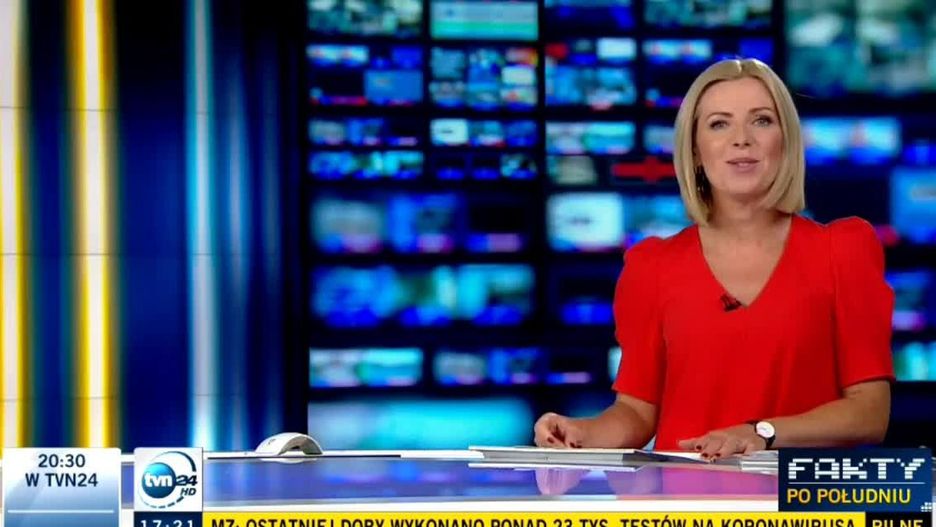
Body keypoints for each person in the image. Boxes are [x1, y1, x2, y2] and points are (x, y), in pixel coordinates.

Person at [533, 58, 894, 460]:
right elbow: (636, 414)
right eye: (719, 124)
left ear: (786, 140)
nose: (742, 139)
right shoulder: (653, 266)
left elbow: (869, 412)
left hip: (799, 494)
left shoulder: (842, 251)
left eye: (761, 120)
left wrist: (761, 433)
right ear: (695, 150)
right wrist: (580, 433)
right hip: (688, 495)